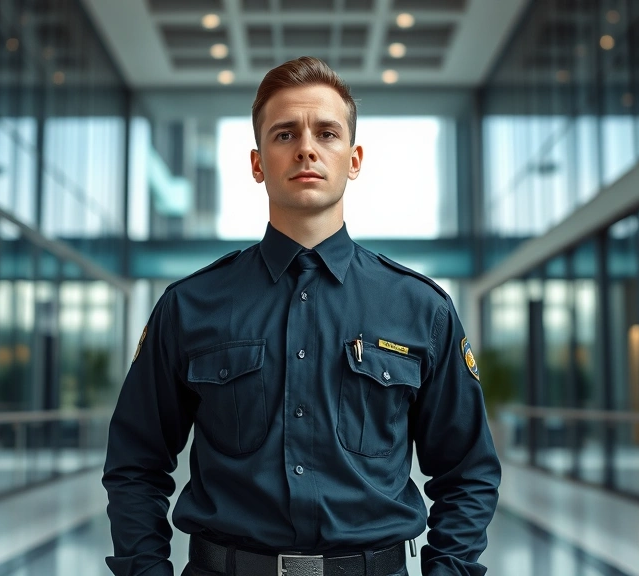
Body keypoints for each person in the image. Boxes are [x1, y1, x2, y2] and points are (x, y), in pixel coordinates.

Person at [103, 56, 500, 576]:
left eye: (327, 133)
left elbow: (467, 472)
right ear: (257, 162)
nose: (307, 148)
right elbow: (136, 463)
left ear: (354, 159)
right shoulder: (188, 306)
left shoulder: (422, 309)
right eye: (285, 133)